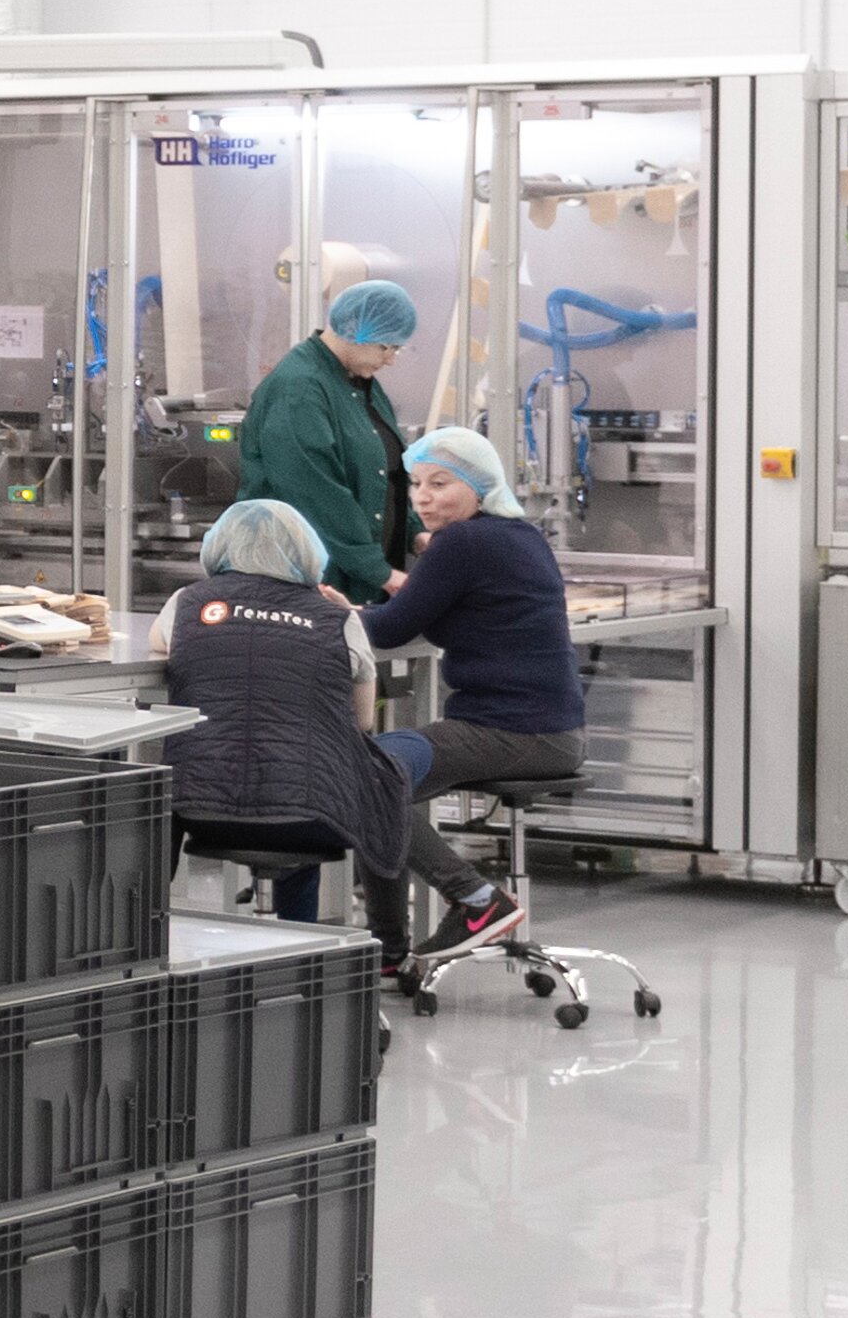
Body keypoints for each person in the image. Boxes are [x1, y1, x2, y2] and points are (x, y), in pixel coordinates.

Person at [158, 496, 497, 967]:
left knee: (276, 788)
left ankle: (165, 953)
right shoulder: (339, 619)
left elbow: (162, 652)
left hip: (198, 810)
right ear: (307, 551)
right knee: (311, 788)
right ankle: (310, 958)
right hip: (311, 818)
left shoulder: (187, 602)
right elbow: (361, 723)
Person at [358, 429, 583, 885]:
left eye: (439, 484)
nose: (422, 497)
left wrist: (329, 614)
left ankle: (475, 900)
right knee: (379, 781)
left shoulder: (462, 542)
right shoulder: (522, 535)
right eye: (415, 483)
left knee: (365, 775)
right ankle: (397, 934)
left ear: (481, 487)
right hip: (554, 733)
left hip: (511, 732)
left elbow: (389, 628)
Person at [236, 279, 423, 598]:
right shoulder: (299, 389)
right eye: (386, 347)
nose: (391, 359)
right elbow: (315, 493)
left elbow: (382, 477)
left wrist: (415, 532)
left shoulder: (359, 384)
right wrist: (377, 571)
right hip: (310, 580)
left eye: (397, 349)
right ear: (355, 331)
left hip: (360, 577)